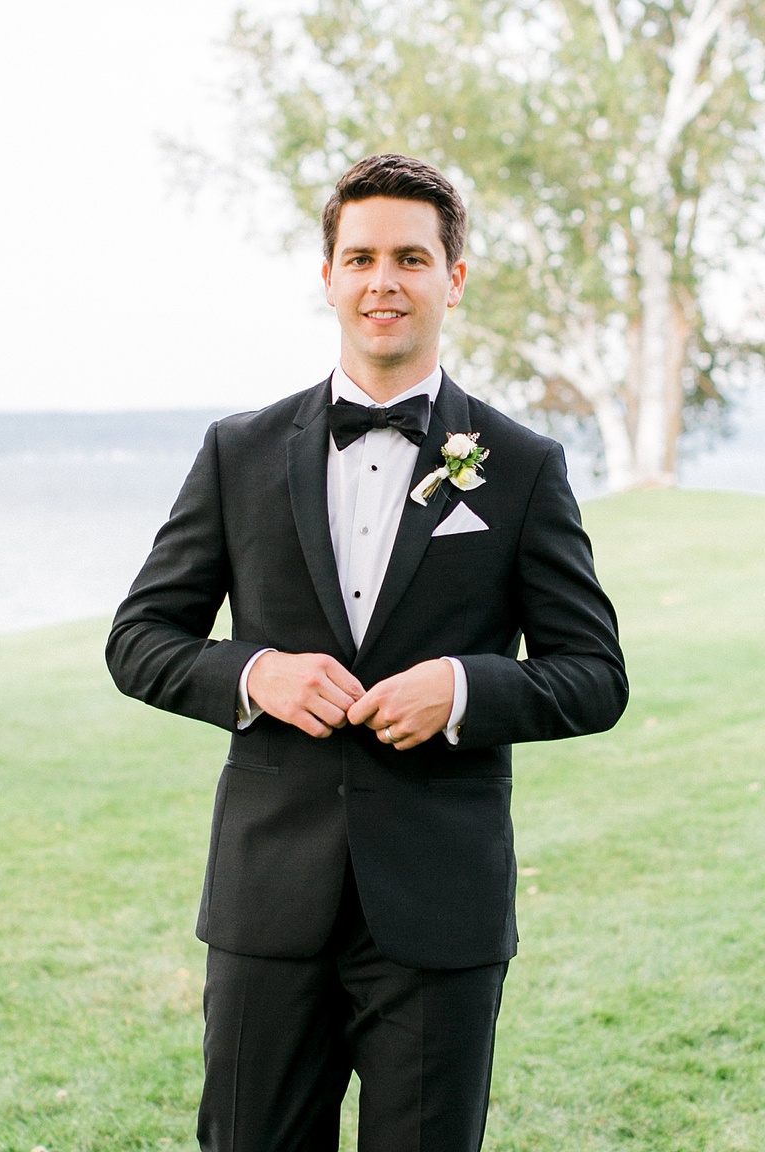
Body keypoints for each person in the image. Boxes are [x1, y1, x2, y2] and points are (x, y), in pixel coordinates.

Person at [106, 153, 628, 1152]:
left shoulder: (519, 467)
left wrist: (465, 689)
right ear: (330, 276)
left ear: (453, 278)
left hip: (440, 911)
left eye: (411, 258)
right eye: (360, 258)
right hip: (267, 904)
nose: (383, 280)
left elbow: (595, 675)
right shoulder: (238, 453)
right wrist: (256, 673)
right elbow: (140, 640)